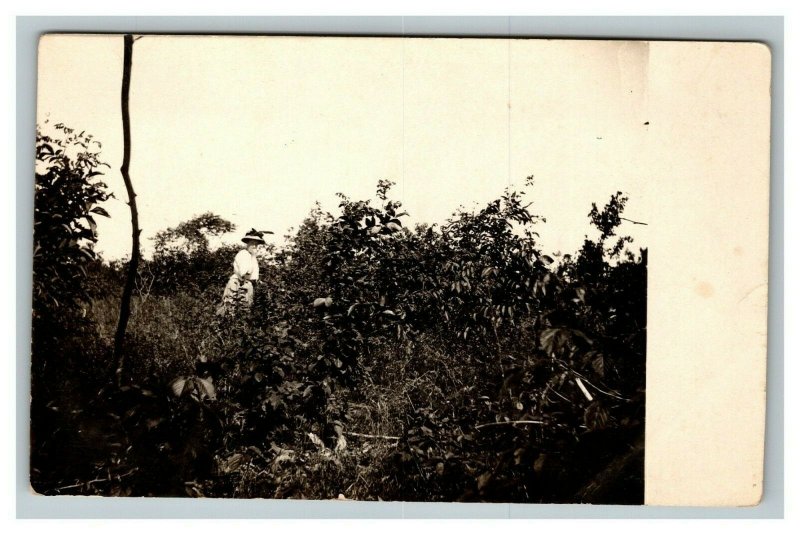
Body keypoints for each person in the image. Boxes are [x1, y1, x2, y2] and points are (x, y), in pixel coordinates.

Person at [217, 229, 270, 315]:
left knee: (244, 311)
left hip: (246, 284)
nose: (254, 246)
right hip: (239, 284)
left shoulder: (252, 256)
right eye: (252, 243)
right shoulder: (244, 254)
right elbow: (245, 273)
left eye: (256, 244)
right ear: (247, 243)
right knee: (233, 310)